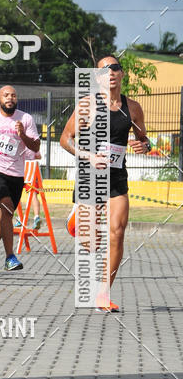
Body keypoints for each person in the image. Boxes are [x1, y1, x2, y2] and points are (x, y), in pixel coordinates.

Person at [59, 55, 151, 312]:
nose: (110, 73)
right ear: (98, 77)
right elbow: (65, 139)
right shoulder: (87, 105)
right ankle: (77, 218)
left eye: (115, 68)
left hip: (117, 177)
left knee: (117, 232)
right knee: (92, 242)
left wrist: (144, 145)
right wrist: (88, 155)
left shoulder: (132, 108)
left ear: (122, 74)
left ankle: (103, 293)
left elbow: (144, 139)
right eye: (104, 70)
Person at [0, 86, 40, 272]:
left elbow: (35, 146)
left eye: (13, 95)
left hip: (17, 173)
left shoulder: (25, 118)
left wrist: (22, 135)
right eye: (6, 95)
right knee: (6, 207)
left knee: (6, 214)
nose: (10, 98)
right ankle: (10, 257)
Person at [15, 147, 43, 231]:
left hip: (19, 169)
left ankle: (20, 218)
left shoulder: (18, 142)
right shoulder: (32, 143)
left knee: (15, 194)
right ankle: (36, 217)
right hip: (31, 169)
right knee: (33, 194)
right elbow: (39, 156)